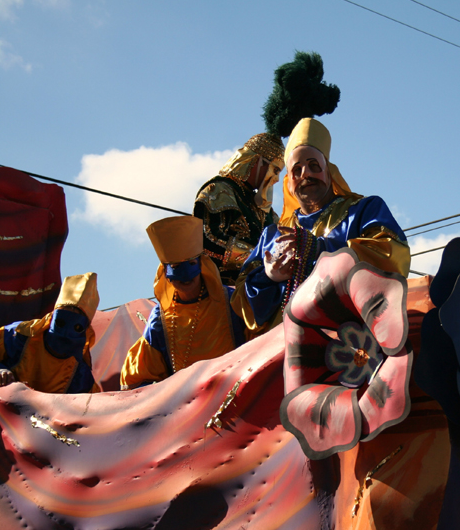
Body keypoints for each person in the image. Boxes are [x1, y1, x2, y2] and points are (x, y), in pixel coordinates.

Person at [232, 117, 410, 334]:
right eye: (297, 170)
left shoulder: (364, 210)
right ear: (289, 183)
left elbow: (391, 256)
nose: (305, 174)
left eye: (313, 165)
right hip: (280, 350)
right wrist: (268, 277)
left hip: (349, 347)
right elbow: (240, 300)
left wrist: (319, 249)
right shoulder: (271, 235)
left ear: (328, 171)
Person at [120, 216, 248, 390]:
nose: (186, 276)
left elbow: (261, 344)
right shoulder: (160, 321)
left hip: (236, 395)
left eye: (191, 264)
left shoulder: (232, 301)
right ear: (165, 273)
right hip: (187, 409)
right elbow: (139, 377)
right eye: (176, 267)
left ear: (201, 265)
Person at [193, 133, 284, 285]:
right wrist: (256, 260)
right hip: (220, 290)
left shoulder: (267, 212)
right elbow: (207, 239)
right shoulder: (220, 190)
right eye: (275, 170)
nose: (277, 179)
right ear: (257, 161)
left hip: (259, 288)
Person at [0, 273, 101, 393]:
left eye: (77, 327)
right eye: (60, 321)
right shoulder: (19, 336)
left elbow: (89, 408)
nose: (65, 332)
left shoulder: (80, 375)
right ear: (51, 317)